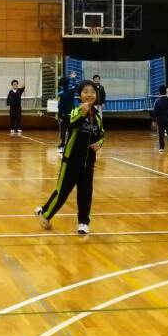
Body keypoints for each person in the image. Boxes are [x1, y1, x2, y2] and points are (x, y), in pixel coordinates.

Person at [36, 79, 105, 234]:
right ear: (80, 95)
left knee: (85, 193)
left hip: (88, 163)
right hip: (71, 161)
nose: (89, 95)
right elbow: (72, 123)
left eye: (92, 92)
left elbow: (101, 134)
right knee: (62, 192)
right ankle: (45, 214)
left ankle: (83, 222)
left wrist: (100, 143)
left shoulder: (97, 117)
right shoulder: (76, 111)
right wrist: (82, 112)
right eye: (85, 92)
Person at [57, 70, 79, 152]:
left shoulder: (60, 93)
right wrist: (74, 78)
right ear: (68, 83)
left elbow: (60, 106)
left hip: (64, 115)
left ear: (61, 84)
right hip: (72, 114)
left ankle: (62, 145)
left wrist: (59, 116)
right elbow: (76, 86)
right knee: (71, 130)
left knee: (63, 130)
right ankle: (71, 146)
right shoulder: (71, 91)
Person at [153, 85, 168, 154]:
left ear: (159, 92)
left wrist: (154, 120)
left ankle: (161, 148)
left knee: (161, 134)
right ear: (166, 92)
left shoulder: (157, 101)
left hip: (160, 121)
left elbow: (155, 112)